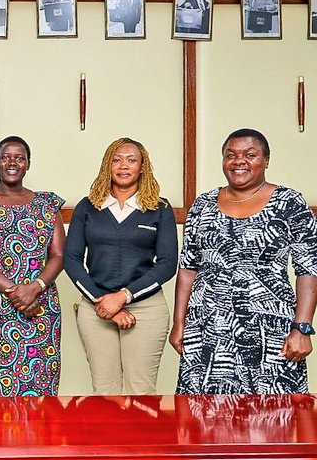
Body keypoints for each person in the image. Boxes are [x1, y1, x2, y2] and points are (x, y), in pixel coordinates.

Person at [171, 129, 317, 394]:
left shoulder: (289, 202)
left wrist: (302, 328)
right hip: (207, 329)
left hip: (270, 332)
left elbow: (308, 268)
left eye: (250, 155)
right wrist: (179, 323)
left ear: (266, 160)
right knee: (203, 417)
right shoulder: (203, 204)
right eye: (231, 155)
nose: (239, 161)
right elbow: (188, 267)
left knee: (274, 416)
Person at [64, 137, 177, 395]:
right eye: (117, 159)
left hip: (145, 310)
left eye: (131, 160)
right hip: (96, 308)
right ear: (107, 166)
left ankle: (143, 437)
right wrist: (104, 303)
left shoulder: (159, 208)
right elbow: (71, 260)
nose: (123, 165)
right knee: (105, 394)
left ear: (142, 167)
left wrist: (123, 297)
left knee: (141, 393)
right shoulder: (88, 207)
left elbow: (168, 264)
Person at [0, 136, 66, 396]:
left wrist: (35, 287)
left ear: (28, 164)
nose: (12, 162)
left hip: (40, 308)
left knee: (40, 387)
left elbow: (58, 255)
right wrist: (17, 292)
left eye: (19, 158)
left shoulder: (47, 204)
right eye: (5, 157)